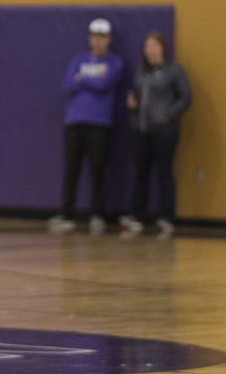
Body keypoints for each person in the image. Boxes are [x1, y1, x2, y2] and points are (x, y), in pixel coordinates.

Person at [49, 18, 125, 234]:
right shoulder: (78, 58)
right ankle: (66, 212)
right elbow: (67, 83)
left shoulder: (115, 62)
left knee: (98, 170)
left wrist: (83, 79)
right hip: (74, 121)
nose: (97, 41)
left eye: (102, 37)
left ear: (108, 39)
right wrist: (88, 79)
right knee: (71, 168)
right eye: (94, 37)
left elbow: (105, 83)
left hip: (99, 123)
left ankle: (98, 214)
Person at [119, 31, 192, 235]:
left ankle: (166, 216)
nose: (150, 49)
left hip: (165, 131)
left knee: (164, 171)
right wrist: (132, 108)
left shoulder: (173, 71)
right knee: (140, 172)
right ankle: (136, 214)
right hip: (141, 129)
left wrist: (168, 115)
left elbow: (186, 97)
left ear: (162, 48)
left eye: (154, 45)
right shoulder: (141, 72)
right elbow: (137, 97)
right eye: (147, 46)